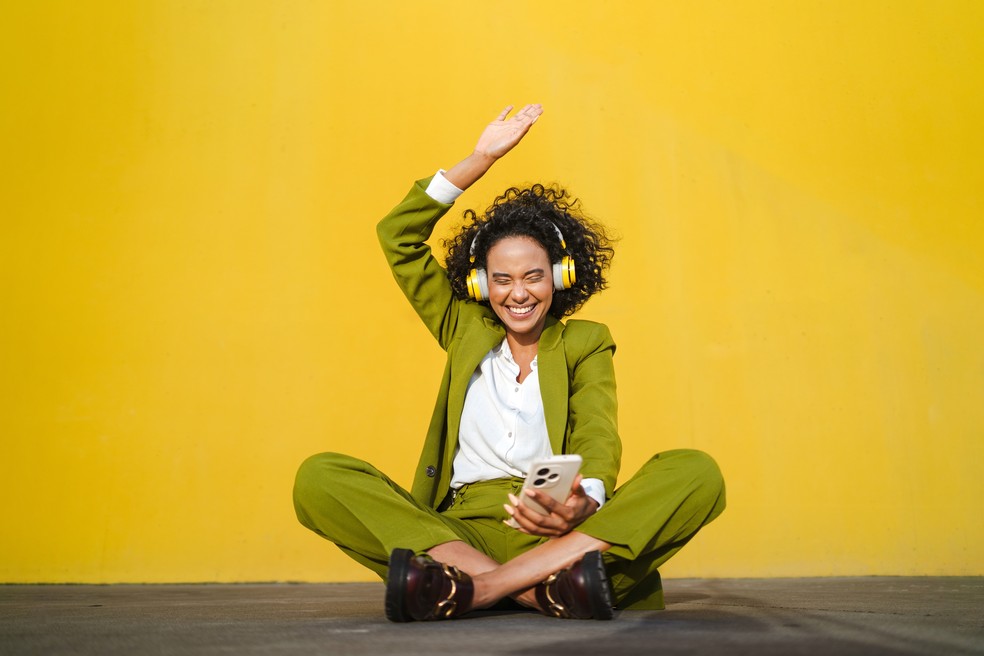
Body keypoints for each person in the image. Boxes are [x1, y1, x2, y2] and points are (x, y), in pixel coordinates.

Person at [293, 104, 725, 621]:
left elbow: (598, 430)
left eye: (533, 277)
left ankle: (475, 589)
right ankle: (541, 591)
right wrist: (479, 159)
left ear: (559, 277)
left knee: (695, 472)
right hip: (459, 532)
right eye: (502, 279)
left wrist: (584, 500)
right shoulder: (464, 327)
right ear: (481, 284)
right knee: (320, 477)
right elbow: (398, 238)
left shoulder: (585, 341)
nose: (518, 294)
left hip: (554, 530)